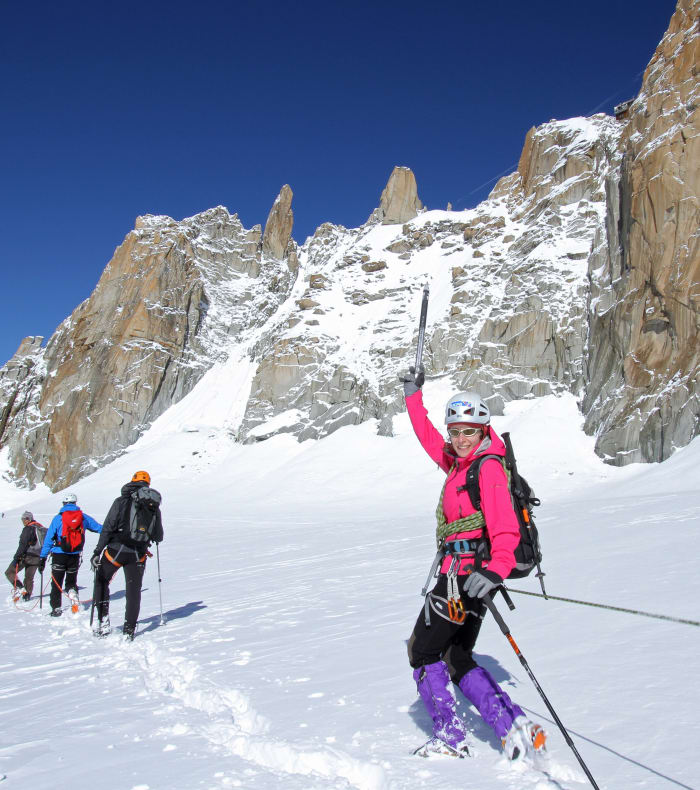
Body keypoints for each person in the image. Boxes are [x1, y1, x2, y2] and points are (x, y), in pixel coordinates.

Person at [401, 365, 546, 760]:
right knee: (456, 656)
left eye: (470, 431)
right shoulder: (460, 465)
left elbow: (505, 529)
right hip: (469, 577)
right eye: (456, 431)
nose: (461, 438)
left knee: (422, 651)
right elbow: (427, 438)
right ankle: (513, 726)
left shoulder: (489, 467)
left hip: (465, 579)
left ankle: (449, 735)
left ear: (484, 430)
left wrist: (496, 569)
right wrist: (413, 396)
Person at [91, 471, 163, 640]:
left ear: (132, 482)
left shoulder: (121, 501)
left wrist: (97, 550)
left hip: (115, 551)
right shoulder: (153, 505)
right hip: (138, 555)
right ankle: (129, 630)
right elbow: (159, 536)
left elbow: (108, 527)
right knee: (133, 591)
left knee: (101, 581)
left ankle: (103, 622)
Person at [38, 494, 102, 617]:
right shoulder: (83, 517)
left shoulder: (58, 518)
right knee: (71, 581)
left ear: (64, 504)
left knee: (56, 583)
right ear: (75, 503)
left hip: (59, 554)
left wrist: (43, 557)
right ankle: (74, 597)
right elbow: (99, 528)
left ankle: (56, 608)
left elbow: (49, 539)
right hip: (75, 555)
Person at [5, 511, 46, 601]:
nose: (23, 521)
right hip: (38, 558)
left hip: (26, 556)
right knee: (29, 578)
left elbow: (23, 544)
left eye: (24, 519)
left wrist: (16, 558)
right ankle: (27, 596)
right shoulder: (40, 528)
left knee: (9, 572)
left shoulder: (28, 529)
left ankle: (20, 588)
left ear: (28, 519)